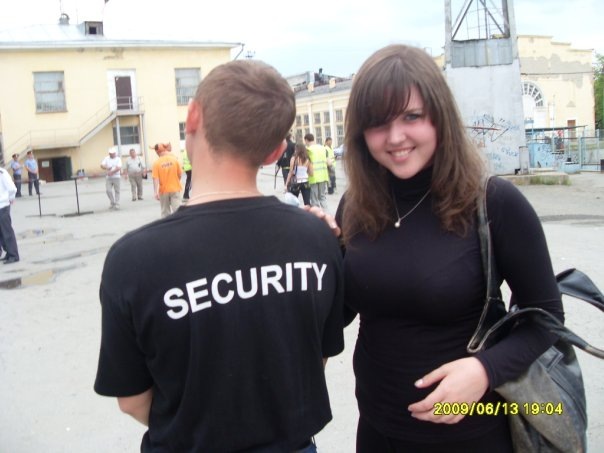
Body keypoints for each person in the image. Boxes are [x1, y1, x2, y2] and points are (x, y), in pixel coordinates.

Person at [314, 44, 564, 452]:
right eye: (378, 123)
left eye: (411, 117)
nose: (395, 137)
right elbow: (340, 312)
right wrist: (311, 249)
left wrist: (485, 369)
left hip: (473, 433)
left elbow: (547, 319)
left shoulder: (493, 203)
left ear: (439, 115)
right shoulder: (356, 205)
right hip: (377, 430)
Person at [94, 59, 344, 452]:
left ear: (193, 117)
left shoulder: (133, 260)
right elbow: (316, 357)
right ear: (275, 152)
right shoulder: (317, 238)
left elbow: (133, 399)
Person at [151, 143, 182, 217]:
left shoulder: (156, 163)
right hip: (175, 188)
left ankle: (167, 223)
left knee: (165, 211)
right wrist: (176, 181)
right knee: (177, 209)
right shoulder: (174, 160)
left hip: (163, 190)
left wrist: (155, 192)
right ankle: (179, 222)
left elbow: (155, 178)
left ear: (157, 152)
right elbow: (180, 174)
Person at [0, 167, 20, 264]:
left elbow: (12, 188)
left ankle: (14, 255)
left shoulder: (2, 172)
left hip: (3, 205)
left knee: (7, 231)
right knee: (1, 232)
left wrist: (11, 198)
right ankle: (8, 252)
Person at [304, 134, 329, 209]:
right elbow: (328, 161)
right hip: (323, 176)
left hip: (313, 177)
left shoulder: (308, 150)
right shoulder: (323, 148)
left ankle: (316, 214)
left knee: (314, 199)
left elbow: (306, 163)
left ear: (306, 140)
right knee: (322, 197)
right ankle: (326, 212)